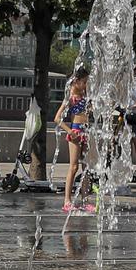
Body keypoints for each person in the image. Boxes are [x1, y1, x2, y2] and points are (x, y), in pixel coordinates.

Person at [59, 69, 91, 213]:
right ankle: (67, 200)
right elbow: (57, 119)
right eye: (84, 82)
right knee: (73, 167)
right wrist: (70, 131)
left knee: (85, 168)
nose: (85, 85)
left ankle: (85, 200)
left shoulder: (84, 96)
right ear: (76, 82)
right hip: (76, 131)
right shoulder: (71, 98)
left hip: (85, 131)